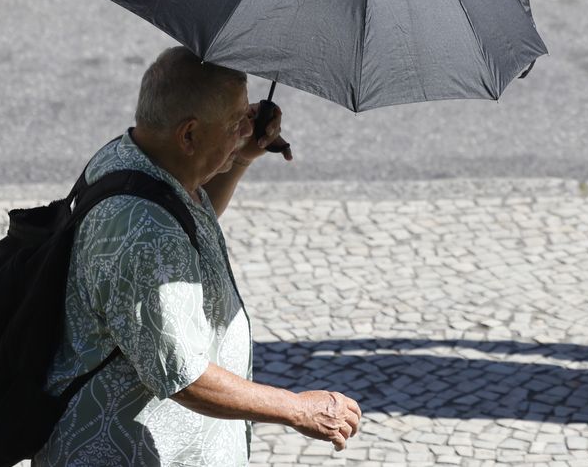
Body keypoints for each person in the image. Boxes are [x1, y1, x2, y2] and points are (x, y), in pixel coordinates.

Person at [36, 47, 361, 465]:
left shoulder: (137, 159)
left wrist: (239, 154)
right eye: (236, 122)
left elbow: (194, 225)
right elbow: (182, 375)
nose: (248, 128)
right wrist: (297, 409)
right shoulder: (143, 232)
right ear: (189, 135)